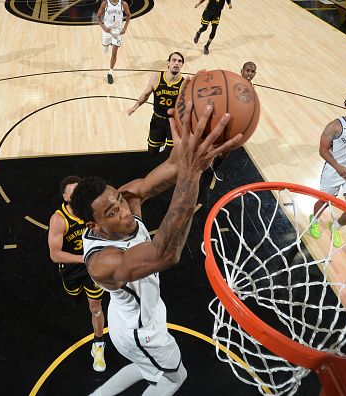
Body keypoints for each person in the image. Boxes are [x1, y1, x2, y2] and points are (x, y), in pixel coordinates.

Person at [71, 102, 242, 395]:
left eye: (119, 202)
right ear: (94, 226)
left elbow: (174, 167)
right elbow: (165, 253)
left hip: (138, 315)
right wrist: (192, 174)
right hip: (141, 332)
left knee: (144, 367)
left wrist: (192, 138)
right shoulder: (102, 262)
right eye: (111, 213)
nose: (124, 212)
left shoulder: (125, 198)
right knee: (176, 377)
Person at [47, 176, 107, 372]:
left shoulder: (93, 210)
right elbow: (55, 255)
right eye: (72, 192)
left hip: (92, 267)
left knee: (95, 307)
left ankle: (98, 344)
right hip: (72, 267)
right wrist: (84, 258)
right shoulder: (59, 220)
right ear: (65, 197)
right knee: (73, 294)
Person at [309, 92, 346, 248]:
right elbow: (323, 150)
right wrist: (338, 168)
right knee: (324, 201)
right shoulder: (335, 126)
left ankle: (336, 226)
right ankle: (315, 219)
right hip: (334, 169)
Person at [127, 52, 185, 157]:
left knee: (170, 155)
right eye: (174, 60)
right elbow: (145, 95)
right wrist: (134, 107)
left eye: (179, 61)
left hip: (173, 123)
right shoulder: (156, 78)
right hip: (157, 120)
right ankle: (160, 145)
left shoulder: (184, 84)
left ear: (182, 65)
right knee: (152, 152)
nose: (176, 63)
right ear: (168, 63)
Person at [97, 0, 131, 84]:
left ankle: (110, 73)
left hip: (117, 31)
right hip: (107, 30)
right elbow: (98, 17)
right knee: (105, 50)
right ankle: (107, 44)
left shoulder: (123, 4)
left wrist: (125, 28)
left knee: (114, 53)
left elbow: (129, 15)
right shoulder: (105, 3)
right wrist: (103, 27)